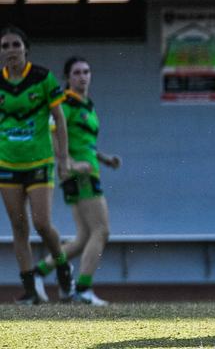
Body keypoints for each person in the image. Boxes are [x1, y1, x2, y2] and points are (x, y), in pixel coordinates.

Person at [37, 57, 121, 305]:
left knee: (84, 237)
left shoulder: (87, 105)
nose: (83, 76)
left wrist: (104, 159)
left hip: (89, 170)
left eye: (86, 71)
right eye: (77, 73)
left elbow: (83, 142)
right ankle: (83, 289)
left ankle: (39, 272)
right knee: (102, 230)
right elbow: (53, 134)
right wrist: (69, 163)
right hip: (80, 175)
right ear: (67, 78)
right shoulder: (66, 103)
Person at [0, 26, 74, 304]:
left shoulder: (43, 78)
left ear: (25, 49)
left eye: (15, 45)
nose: (10, 50)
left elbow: (60, 119)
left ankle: (64, 268)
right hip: (7, 162)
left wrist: (63, 158)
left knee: (42, 223)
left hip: (40, 161)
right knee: (19, 227)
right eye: (5, 46)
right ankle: (31, 289)